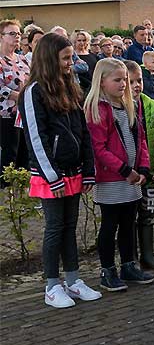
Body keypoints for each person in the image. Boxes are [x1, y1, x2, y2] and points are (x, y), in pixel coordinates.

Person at [19, 32, 101, 308]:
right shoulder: (33, 92)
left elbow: (83, 131)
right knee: (55, 227)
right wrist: (50, 175)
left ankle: (73, 279)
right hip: (51, 175)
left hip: (74, 170)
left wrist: (88, 169)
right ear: (49, 59)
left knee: (69, 226)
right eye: (66, 58)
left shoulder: (70, 84)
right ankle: (52, 286)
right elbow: (35, 137)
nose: (71, 62)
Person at [84, 58, 154, 291]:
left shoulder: (128, 106)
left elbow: (141, 139)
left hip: (132, 178)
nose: (123, 84)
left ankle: (128, 265)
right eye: (118, 79)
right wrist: (124, 170)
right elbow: (99, 149)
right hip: (112, 179)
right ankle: (107, 270)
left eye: (125, 79)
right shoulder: (97, 109)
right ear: (102, 82)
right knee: (110, 224)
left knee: (128, 224)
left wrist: (143, 168)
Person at [124, 60, 154, 270]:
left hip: (151, 173)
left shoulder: (153, 106)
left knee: (149, 212)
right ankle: (131, 257)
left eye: (139, 80)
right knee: (129, 217)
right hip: (129, 176)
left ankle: (148, 254)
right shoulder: (119, 109)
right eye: (130, 81)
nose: (136, 85)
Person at [1, 19, 30, 177]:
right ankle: (7, 193)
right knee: (9, 154)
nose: (17, 37)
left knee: (25, 154)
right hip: (6, 115)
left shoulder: (23, 59)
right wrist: (19, 96)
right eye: (12, 33)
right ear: (1, 36)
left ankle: (24, 194)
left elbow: (32, 80)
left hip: (24, 112)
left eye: (19, 33)